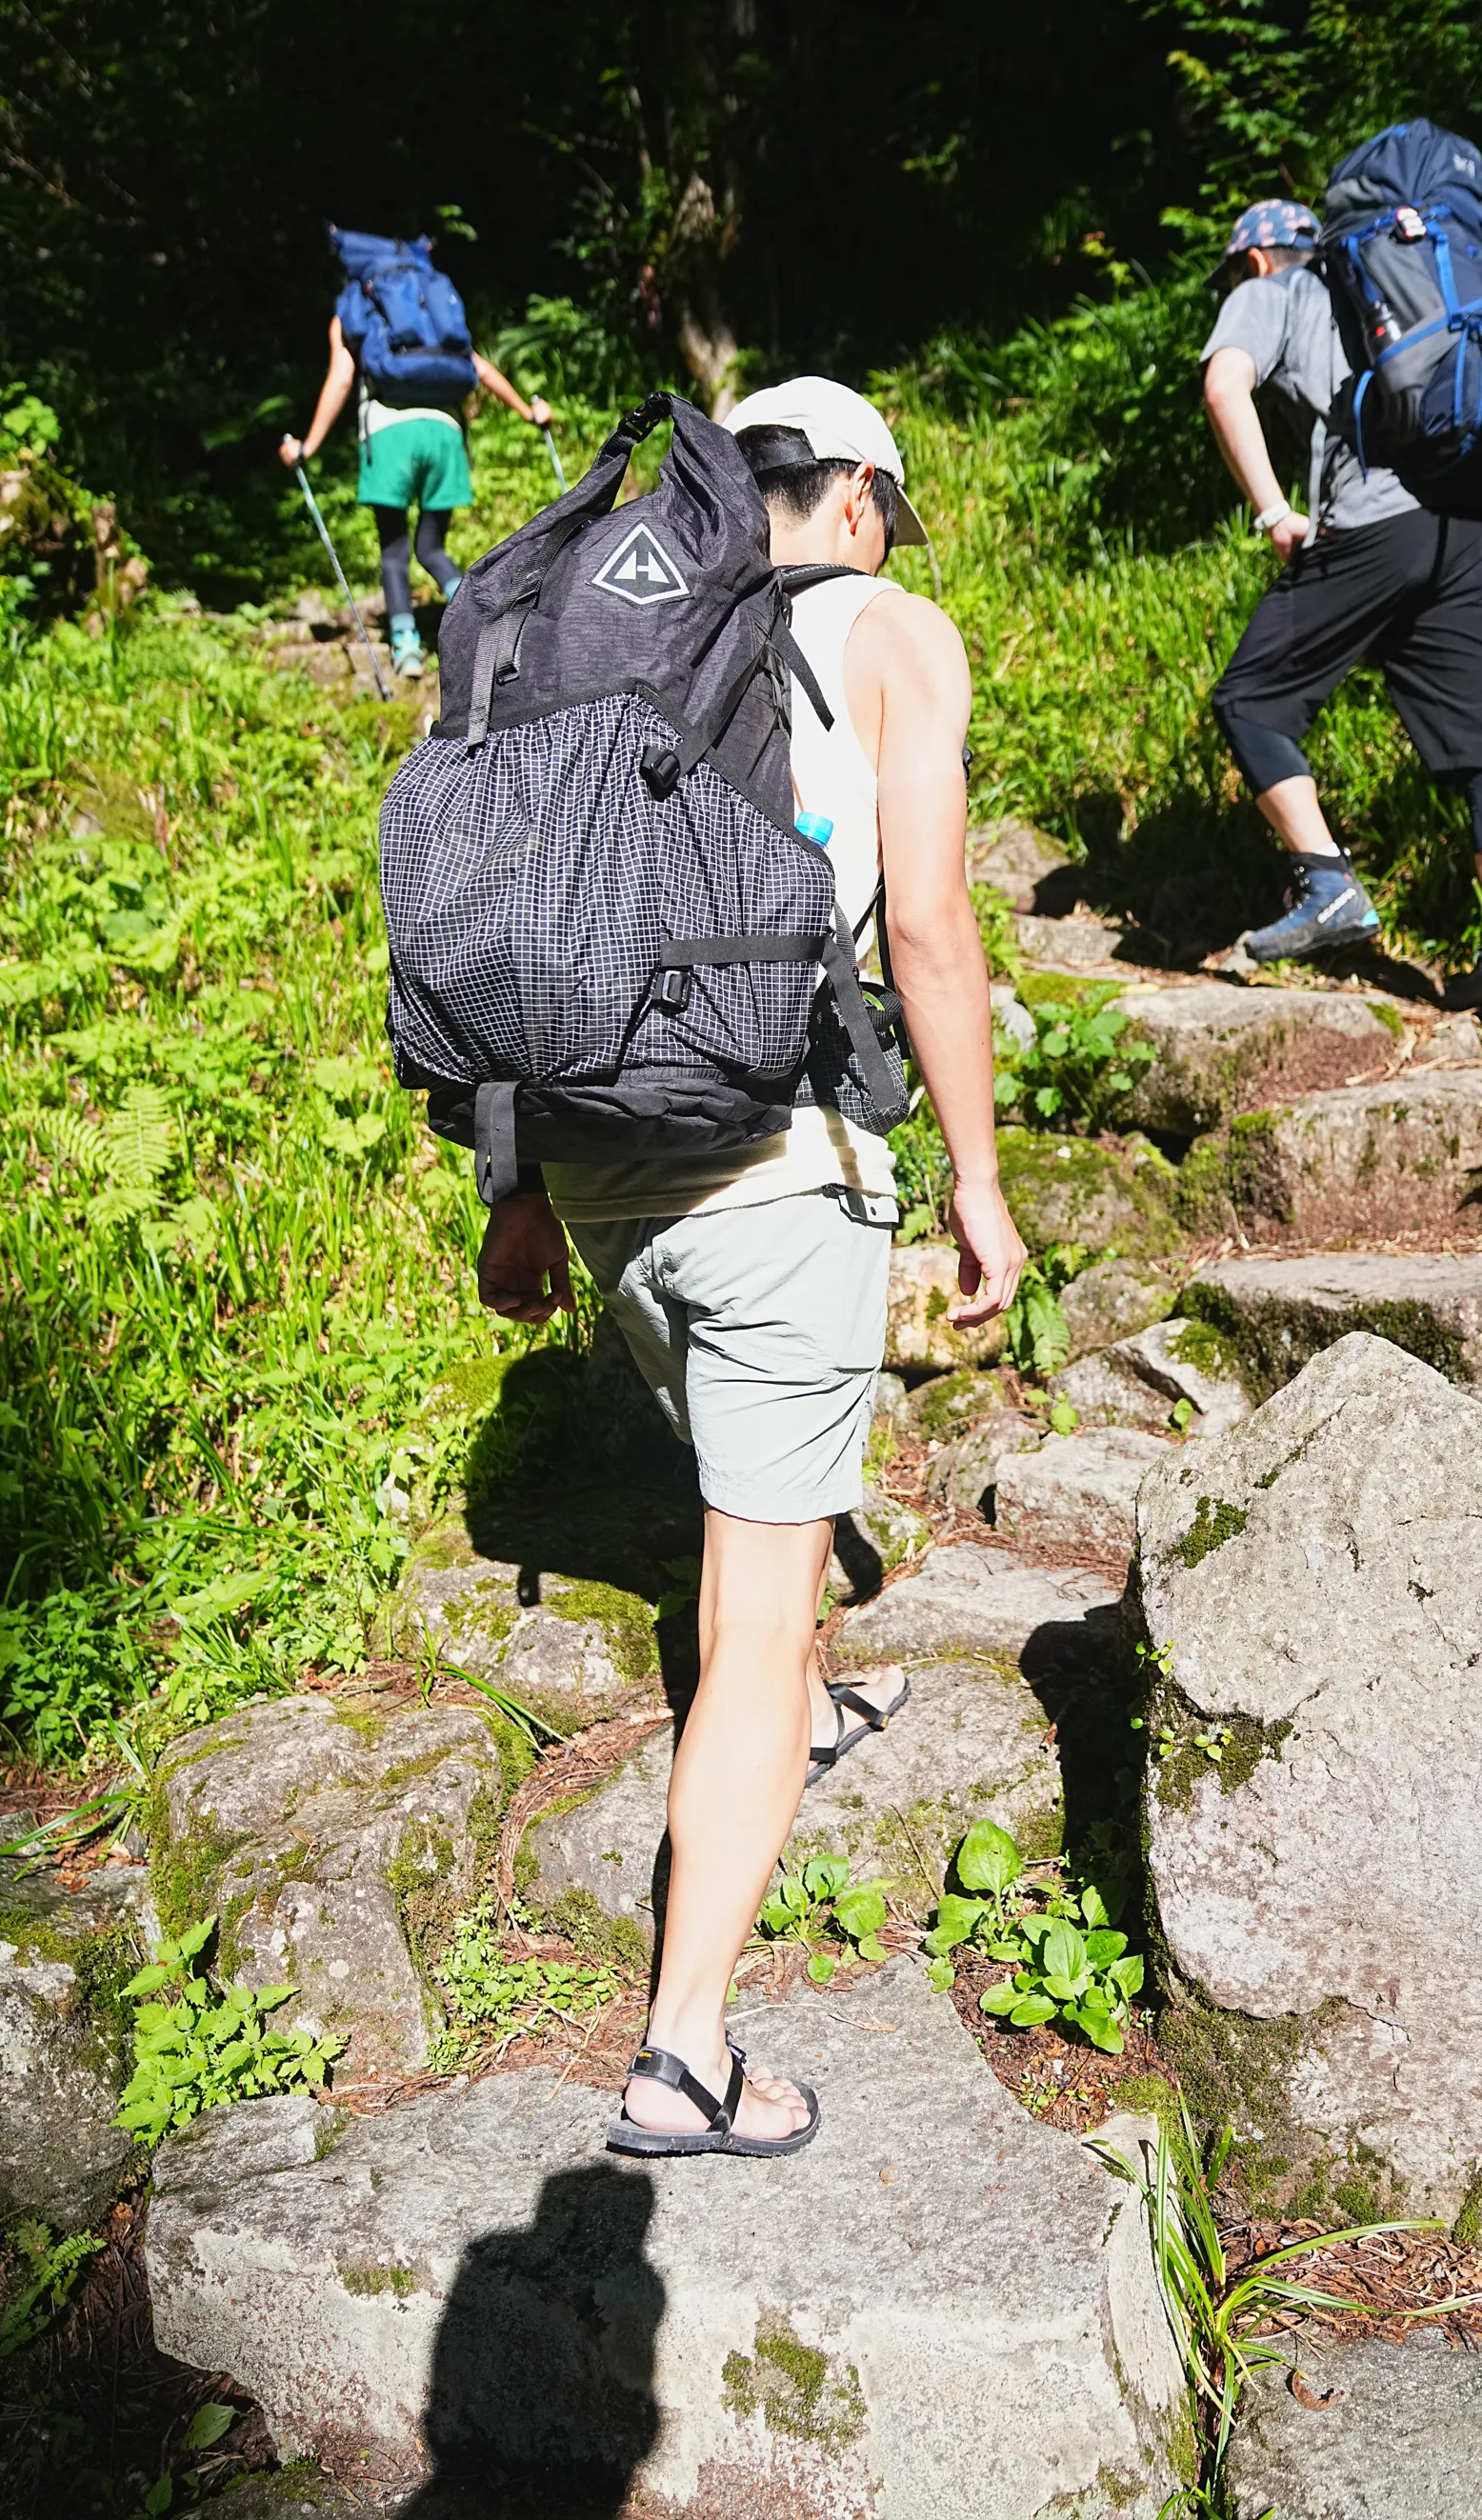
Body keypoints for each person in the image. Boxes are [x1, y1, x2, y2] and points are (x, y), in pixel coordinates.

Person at [471, 375, 1027, 2154]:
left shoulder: (605, 621)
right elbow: (930, 922)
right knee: (767, 1582)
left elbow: (511, 910)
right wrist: (981, 1184)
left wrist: (516, 1192)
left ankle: (795, 1704)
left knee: (746, 1527)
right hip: (780, 1165)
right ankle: (685, 2054)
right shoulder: (891, 629)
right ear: (859, 491)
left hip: (599, 1172)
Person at [1201, 199, 1482, 1027]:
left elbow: (1224, 385)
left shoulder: (1275, 291)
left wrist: (1273, 509)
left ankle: (1327, 882)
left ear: (1255, 259)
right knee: (1481, 751)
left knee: (1249, 700)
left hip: (1372, 525)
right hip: (1470, 527)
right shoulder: (1418, 293)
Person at [279, 312, 552, 683]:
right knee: (431, 548)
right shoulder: (430, 313)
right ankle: (481, 622)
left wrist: (307, 447)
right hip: (444, 433)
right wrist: (528, 412)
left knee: (395, 550)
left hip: (390, 434)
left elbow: (342, 377)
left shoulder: (352, 312)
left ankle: (406, 648)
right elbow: (481, 370)